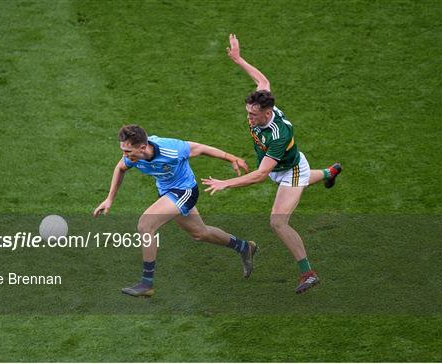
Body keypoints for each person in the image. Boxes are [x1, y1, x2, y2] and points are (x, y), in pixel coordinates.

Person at [202, 34, 342, 294]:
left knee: (278, 222)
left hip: (290, 170)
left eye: (253, 115)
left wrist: (225, 183)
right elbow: (262, 81)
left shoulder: (279, 135)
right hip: (282, 169)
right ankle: (330, 171)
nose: (250, 118)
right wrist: (238, 58)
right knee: (297, 180)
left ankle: (308, 273)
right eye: (248, 113)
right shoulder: (263, 107)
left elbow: (259, 175)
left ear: (267, 113)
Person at [93, 124, 258, 297]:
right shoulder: (132, 157)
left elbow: (200, 148)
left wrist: (232, 158)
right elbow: (120, 168)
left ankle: (146, 283)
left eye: (127, 152)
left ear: (142, 147)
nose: (124, 156)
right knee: (200, 233)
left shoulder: (171, 149)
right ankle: (244, 247)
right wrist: (109, 199)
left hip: (185, 191)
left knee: (145, 225)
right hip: (166, 193)